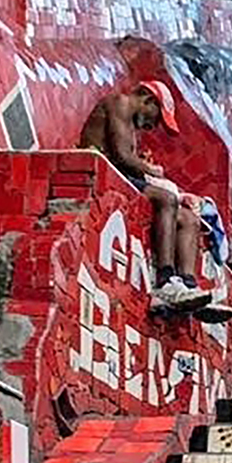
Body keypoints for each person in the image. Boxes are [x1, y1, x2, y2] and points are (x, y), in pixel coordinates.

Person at [79, 79, 212, 312]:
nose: (154, 126)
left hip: (122, 179)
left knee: (189, 219)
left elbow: (130, 163)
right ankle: (165, 281)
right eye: (157, 118)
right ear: (148, 100)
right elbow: (121, 157)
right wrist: (152, 171)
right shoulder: (120, 102)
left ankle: (187, 285)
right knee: (166, 199)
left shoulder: (130, 124)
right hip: (103, 174)